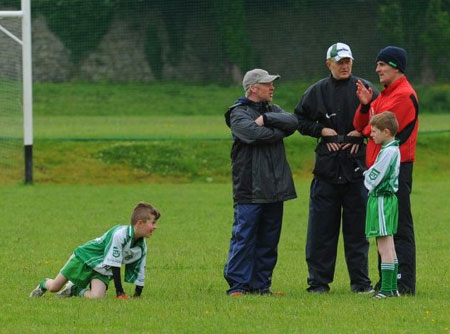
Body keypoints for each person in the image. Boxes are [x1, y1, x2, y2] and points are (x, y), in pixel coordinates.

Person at [294, 42, 378, 294]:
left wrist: (361, 132)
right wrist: (321, 130)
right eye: (340, 62)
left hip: (357, 170)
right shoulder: (316, 91)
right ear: (328, 63)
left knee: (358, 232)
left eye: (348, 61)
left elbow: (382, 119)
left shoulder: (365, 89)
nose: (345, 66)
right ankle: (318, 283)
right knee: (321, 231)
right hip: (327, 171)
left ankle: (360, 283)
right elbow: (299, 120)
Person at [223, 68, 298, 296]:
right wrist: (277, 132)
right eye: (267, 84)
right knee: (244, 237)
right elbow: (255, 135)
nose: (272, 87)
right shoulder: (237, 113)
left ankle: (260, 286)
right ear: (253, 88)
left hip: (276, 188)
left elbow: (293, 121)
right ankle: (238, 286)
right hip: (249, 188)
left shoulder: (272, 110)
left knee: (269, 239)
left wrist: (266, 119)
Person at [354, 46, 418, 295]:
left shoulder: (404, 96)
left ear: (396, 67)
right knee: (384, 228)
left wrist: (370, 123)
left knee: (398, 227)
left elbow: (380, 131)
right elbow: (361, 125)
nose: (377, 69)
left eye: (382, 64)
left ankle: (403, 283)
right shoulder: (382, 96)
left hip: (395, 169)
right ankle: (385, 283)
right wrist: (365, 106)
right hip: (378, 167)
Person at [30, 202, 160, 299]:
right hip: (85, 258)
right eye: (153, 223)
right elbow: (115, 264)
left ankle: (74, 290)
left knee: (96, 297)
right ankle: (43, 283)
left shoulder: (141, 246)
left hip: (103, 269)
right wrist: (119, 292)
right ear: (140, 223)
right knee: (54, 287)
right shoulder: (120, 234)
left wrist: (137, 295)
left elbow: (140, 271)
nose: (155, 227)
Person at [363, 112, 400, 298]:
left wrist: (366, 176)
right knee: (389, 245)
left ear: (386, 132)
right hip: (387, 200)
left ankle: (386, 290)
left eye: (375, 131)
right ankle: (393, 288)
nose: (371, 135)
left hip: (381, 200)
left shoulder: (388, 152)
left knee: (384, 246)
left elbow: (375, 176)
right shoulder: (393, 149)